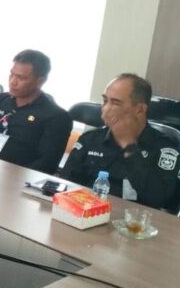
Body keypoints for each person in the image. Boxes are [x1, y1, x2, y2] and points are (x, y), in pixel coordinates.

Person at [61, 74, 179, 213]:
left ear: (140, 109)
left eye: (115, 103)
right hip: (86, 213)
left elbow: (156, 199)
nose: (105, 108)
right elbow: (66, 184)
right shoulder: (91, 139)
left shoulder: (165, 148)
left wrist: (129, 146)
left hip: (133, 219)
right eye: (105, 100)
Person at [0, 49, 72, 174]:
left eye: (21, 78)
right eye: (11, 74)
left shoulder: (56, 116)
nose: (13, 82)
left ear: (40, 81)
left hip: (18, 177)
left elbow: (46, 164)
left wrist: (17, 178)